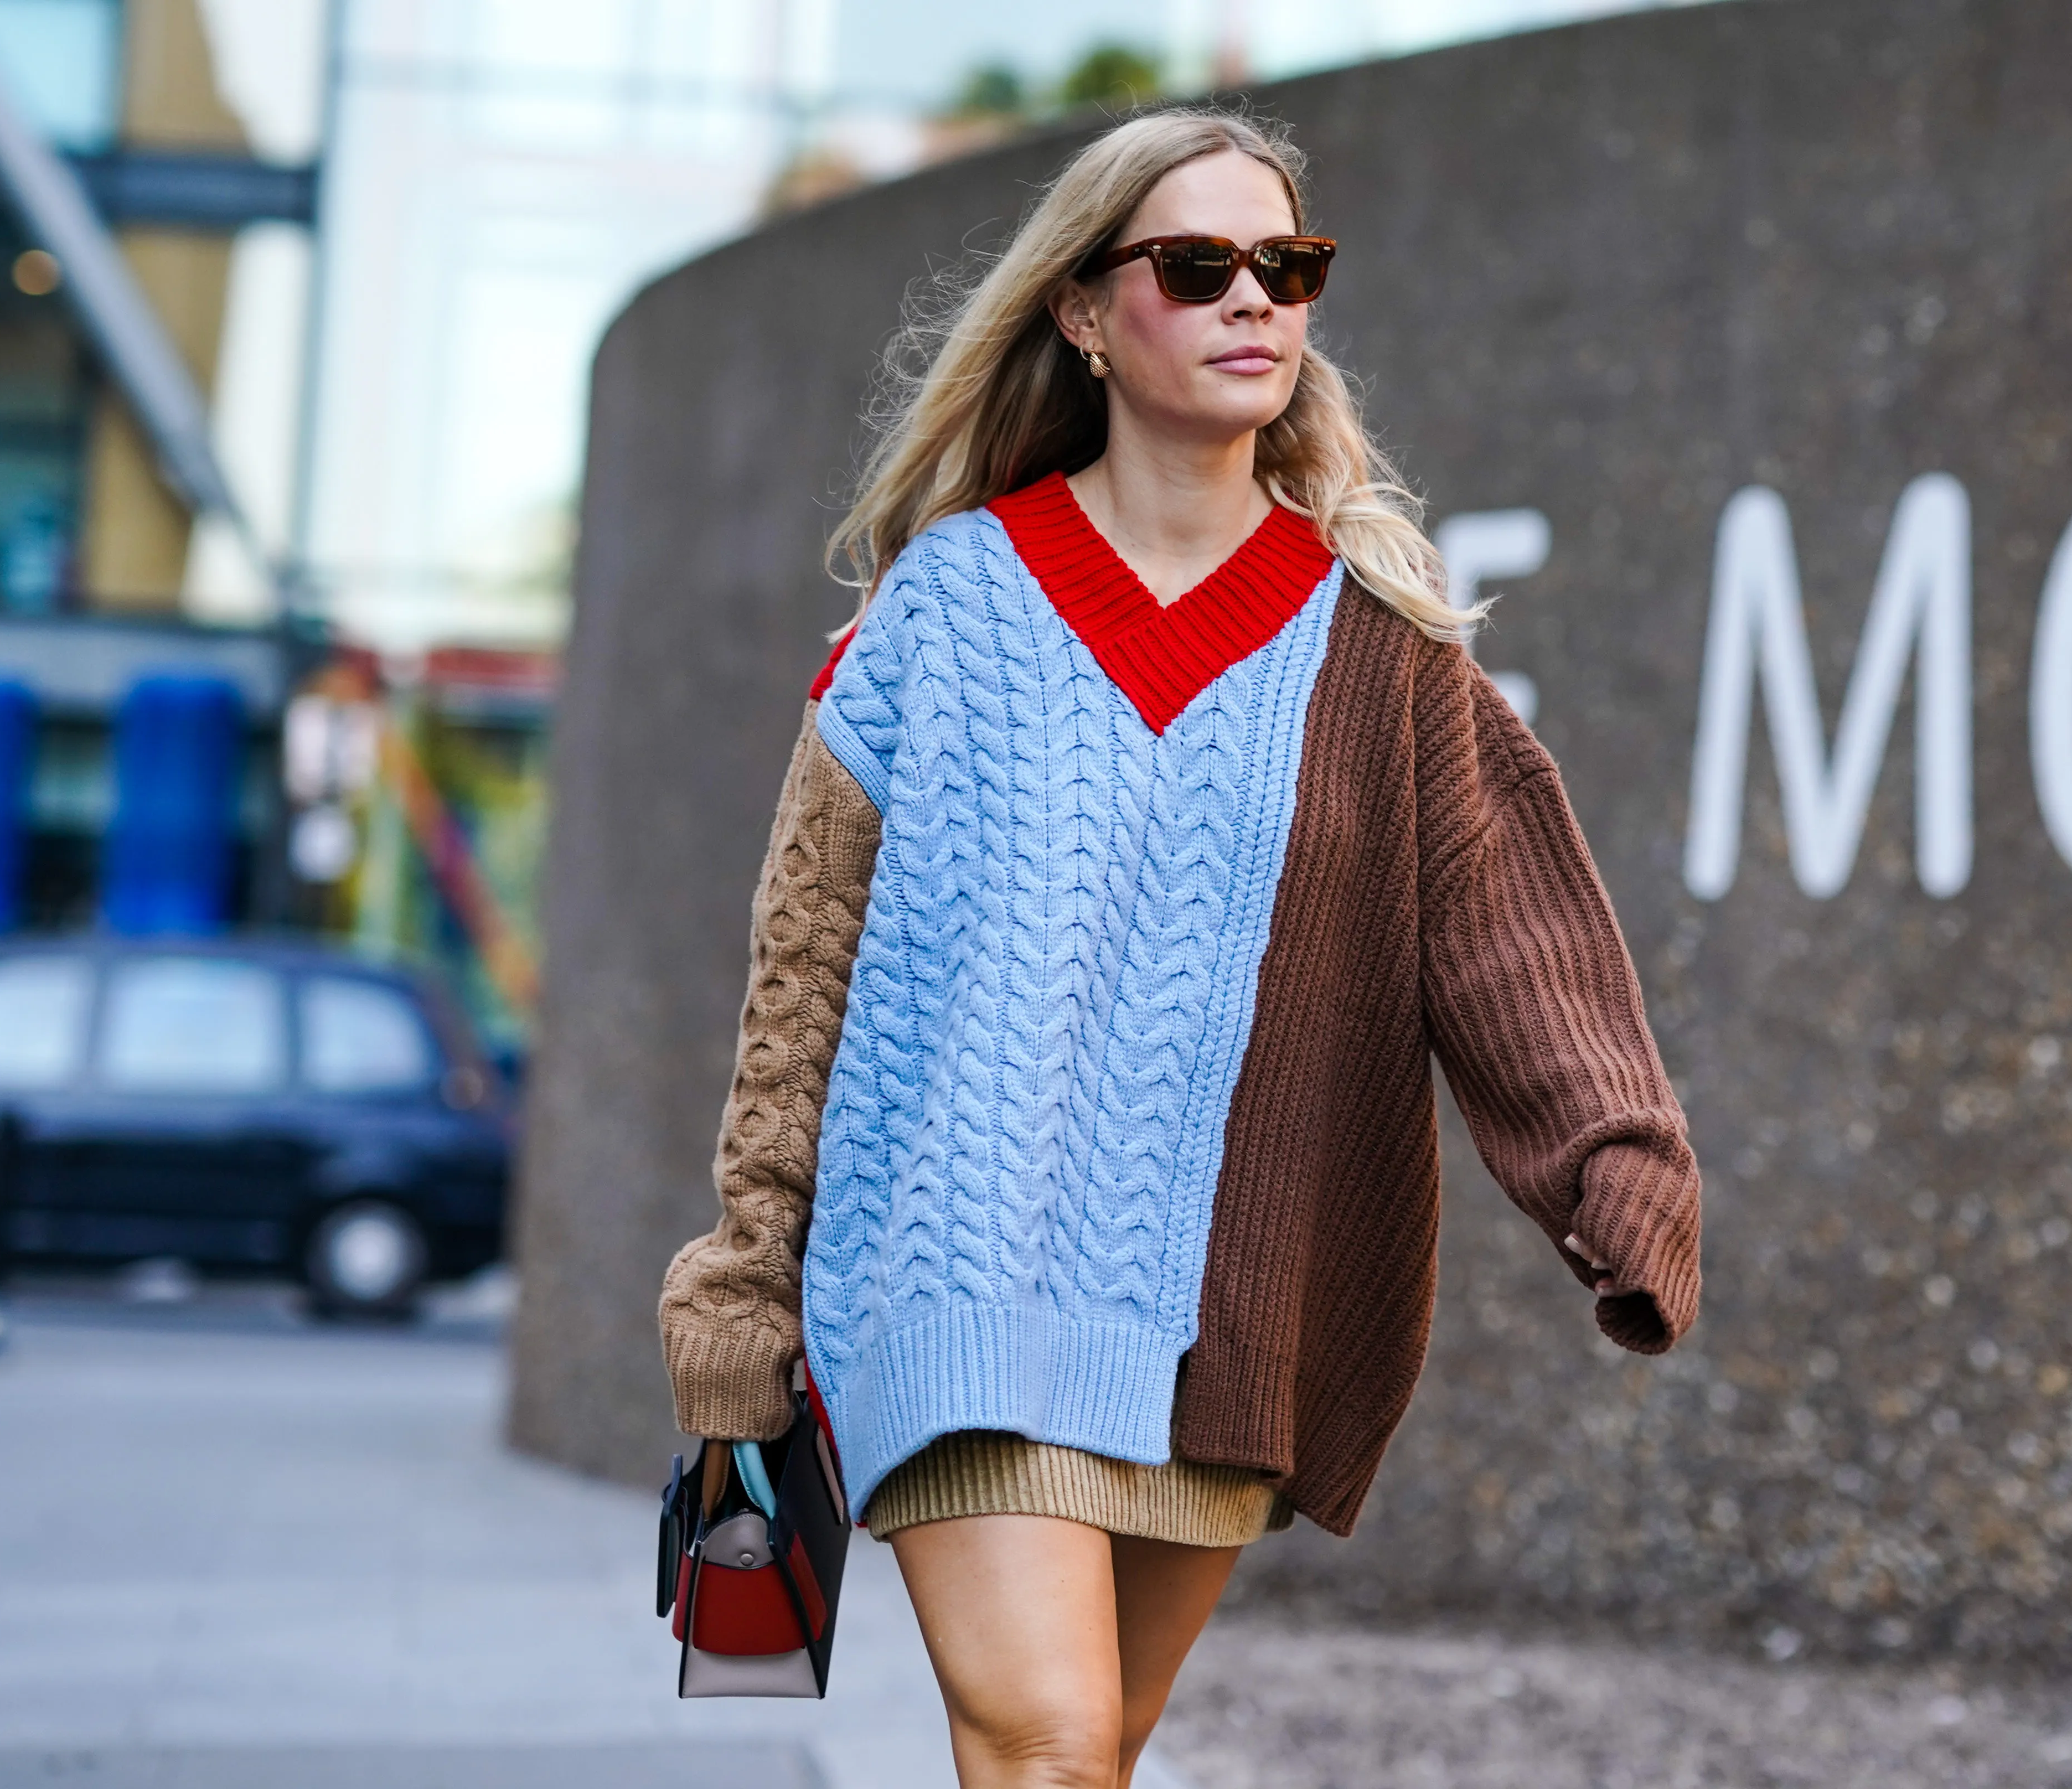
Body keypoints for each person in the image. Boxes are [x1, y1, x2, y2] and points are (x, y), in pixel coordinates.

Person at [659, 106, 1702, 1789]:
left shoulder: (1379, 645)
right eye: (1199, 264)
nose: (1253, 299)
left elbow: (1514, 938)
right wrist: (742, 1284)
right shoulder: (946, 608)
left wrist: (1618, 1171)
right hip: (953, 1278)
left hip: (1223, 1318)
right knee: (1052, 1736)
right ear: (1084, 309)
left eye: (1286, 264)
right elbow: (806, 982)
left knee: (1096, 1754)